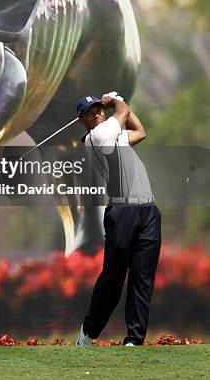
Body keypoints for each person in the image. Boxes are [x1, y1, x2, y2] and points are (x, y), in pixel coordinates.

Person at [74, 92, 161, 347]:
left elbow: (140, 131)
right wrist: (115, 99)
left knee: (142, 278)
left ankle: (134, 339)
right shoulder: (97, 137)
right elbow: (122, 114)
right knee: (113, 278)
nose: (97, 114)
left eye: (99, 109)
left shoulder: (116, 136)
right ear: (83, 122)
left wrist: (118, 103)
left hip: (148, 209)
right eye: (91, 113)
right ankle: (88, 333)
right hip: (122, 211)